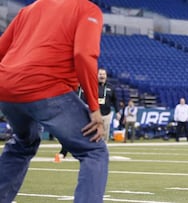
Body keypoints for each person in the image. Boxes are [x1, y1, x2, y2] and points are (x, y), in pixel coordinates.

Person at [0, 1, 109, 202]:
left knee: (23, 144)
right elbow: (83, 55)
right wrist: (94, 108)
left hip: (6, 89)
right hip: (47, 88)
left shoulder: (29, 10)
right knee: (94, 151)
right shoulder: (86, 9)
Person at [98, 67, 119, 142]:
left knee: (105, 136)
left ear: (106, 76)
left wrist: (117, 112)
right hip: (95, 114)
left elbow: (115, 100)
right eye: (100, 74)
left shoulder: (111, 87)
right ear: (97, 75)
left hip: (107, 114)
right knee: (95, 135)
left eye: (103, 74)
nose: (102, 76)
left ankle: (103, 152)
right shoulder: (93, 86)